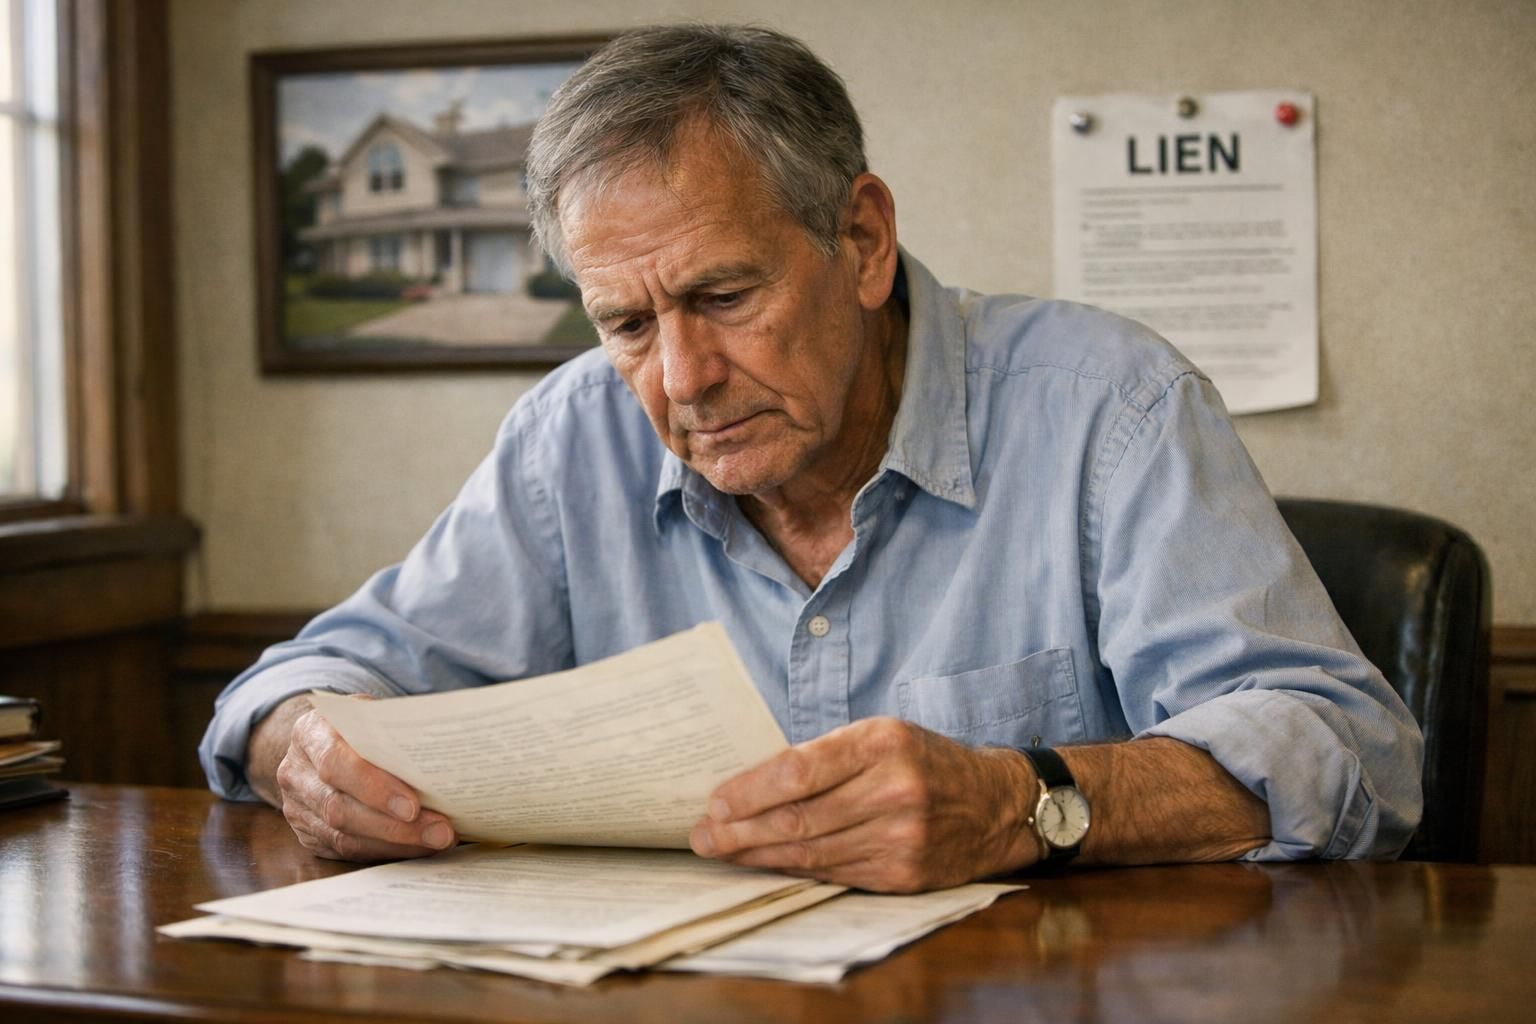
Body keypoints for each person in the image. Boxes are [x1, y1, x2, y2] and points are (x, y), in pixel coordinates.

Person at [201, 24, 1421, 892]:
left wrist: (1022, 801)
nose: (679, 380)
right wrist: (301, 741)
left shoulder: (1112, 409)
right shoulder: (570, 438)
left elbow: (1350, 750)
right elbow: (299, 681)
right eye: (626, 324)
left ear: (864, 239)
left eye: (724, 294)